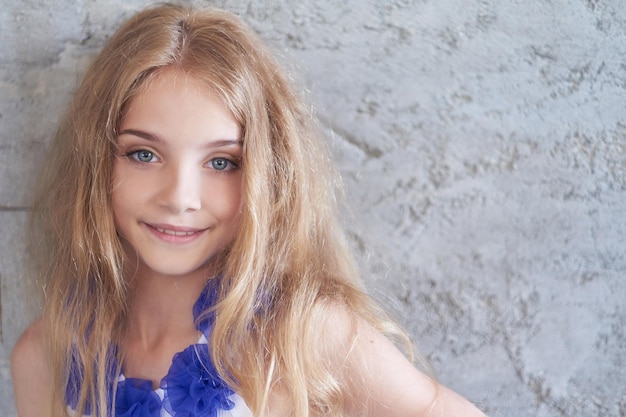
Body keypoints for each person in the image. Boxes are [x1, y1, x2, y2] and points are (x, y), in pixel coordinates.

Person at [11, 4, 487, 417]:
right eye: (144, 154)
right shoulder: (43, 357)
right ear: (96, 160)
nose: (179, 197)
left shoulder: (301, 334)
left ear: (265, 175)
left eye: (221, 162)